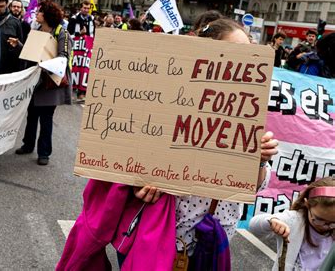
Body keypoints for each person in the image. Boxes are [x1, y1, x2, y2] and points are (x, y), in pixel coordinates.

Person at [56, 18, 279, 270]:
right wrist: (138, 186)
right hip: (154, 240)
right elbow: (126, 165)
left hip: (210, 244)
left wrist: (258, 159)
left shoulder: (244, 111)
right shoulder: (165, 100)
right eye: (231, 54)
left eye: (247, 53)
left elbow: (255, 185)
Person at [15, 0, 72, 166]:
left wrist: (45, 63)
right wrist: (18, 45)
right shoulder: (37, 30)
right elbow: (30, 53)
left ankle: (44, 153)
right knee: (32, 114)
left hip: (50, 82)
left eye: (40, 12)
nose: (37, 14)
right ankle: (28, 144)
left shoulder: (62, 33)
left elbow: (64, 57)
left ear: (47, 15)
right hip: (36, 80)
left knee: (46, 118)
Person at [249, 177, 334, 270]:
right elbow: (253, 226)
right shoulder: (294, 220)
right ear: (307, 204)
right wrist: (271, 221)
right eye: (319, 219)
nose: (326, 226)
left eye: (333, 223)